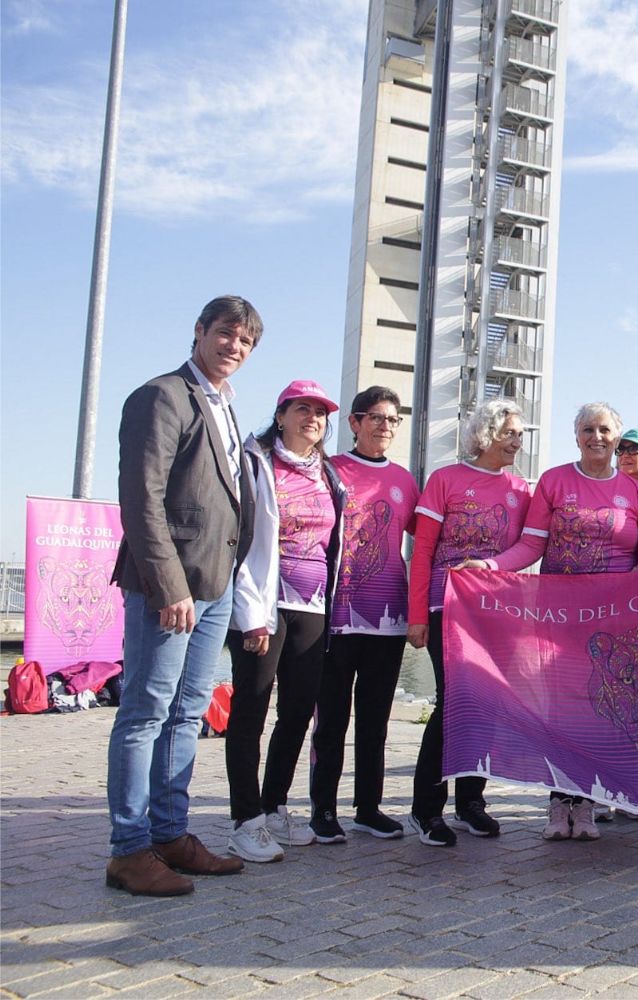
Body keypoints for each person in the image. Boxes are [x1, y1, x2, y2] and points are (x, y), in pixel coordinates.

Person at [106, 295, 261, 896]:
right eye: (226, 334)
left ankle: (170, 835)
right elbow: (141, 499)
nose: (235, 347)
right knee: (145, 712)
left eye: (246, 342)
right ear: (199, 332)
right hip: (169, 588)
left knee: (188, 713)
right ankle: (128, 848)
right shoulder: (162, 395)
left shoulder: (224, 406)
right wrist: (170, 586)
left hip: (215, 587)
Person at [485, 402, 638, 842]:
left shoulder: (634, 490)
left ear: (618, 436)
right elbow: (531, 545)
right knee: (558, 710)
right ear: (576, 436)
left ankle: (589, 801)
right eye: (588, 430)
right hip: (559, 615)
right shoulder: (555, 480)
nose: (597, 437)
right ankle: (558, 802)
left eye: (605, 429)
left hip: (613, 620)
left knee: (600, 708)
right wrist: (491, 566)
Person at [225, 380, 348, 863]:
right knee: (251, 709)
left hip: (313, 607)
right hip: (263, 603)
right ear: (281, 415)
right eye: (302, 409)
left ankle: (274, 806)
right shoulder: (256, 461)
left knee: (297, 711)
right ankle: (245, 818)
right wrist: (250, 612)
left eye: (320, 413)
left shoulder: (329, 474)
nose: (312, 419)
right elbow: (242, 537)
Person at [406, 400, 533, 847]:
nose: (518, 441)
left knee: (488, 705)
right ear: (486, 434)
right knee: (451, 704)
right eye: (510, 433)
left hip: (496, 611)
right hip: (447, 608)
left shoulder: (522, 489)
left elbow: (528, 548)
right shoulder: (445, 480)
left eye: (520, 434)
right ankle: (425, 810)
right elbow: (422, 553)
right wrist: (417, 616)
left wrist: (493, 565)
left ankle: (470, 802)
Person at [308, 386, 418, 842]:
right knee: (330, 718)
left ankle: (369, 808)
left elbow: (430, 541)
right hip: (335, 615)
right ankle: (323, 810)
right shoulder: (328, 470)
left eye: (392, 419)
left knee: (375, 719)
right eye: (375, 417)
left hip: (388, 615)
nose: (384, 426)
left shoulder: (407, 481)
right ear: (354, 423)